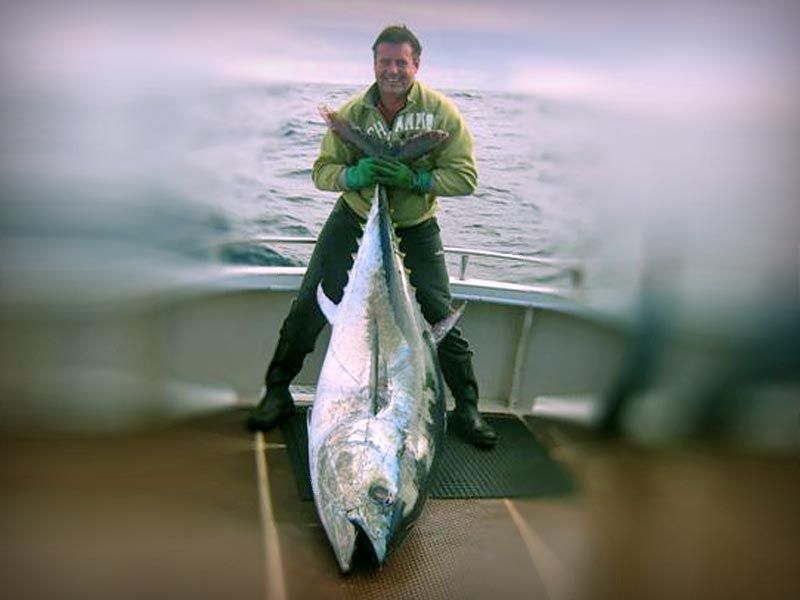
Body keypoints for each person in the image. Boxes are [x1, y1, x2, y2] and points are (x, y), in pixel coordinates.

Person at [246, 24, 497, 448]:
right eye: (385, 62)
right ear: (374, 64)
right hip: (355, 216)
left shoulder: (443, 114)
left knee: (439, 311)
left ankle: (467, 407)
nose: (393, 70)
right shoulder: (352, 114)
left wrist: (416, 178)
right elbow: (322, 171)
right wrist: (354, 173)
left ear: (416, 64)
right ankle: (276, 391)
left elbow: (466, 178)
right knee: (310, 301)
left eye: (402, 62)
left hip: (416, 225)